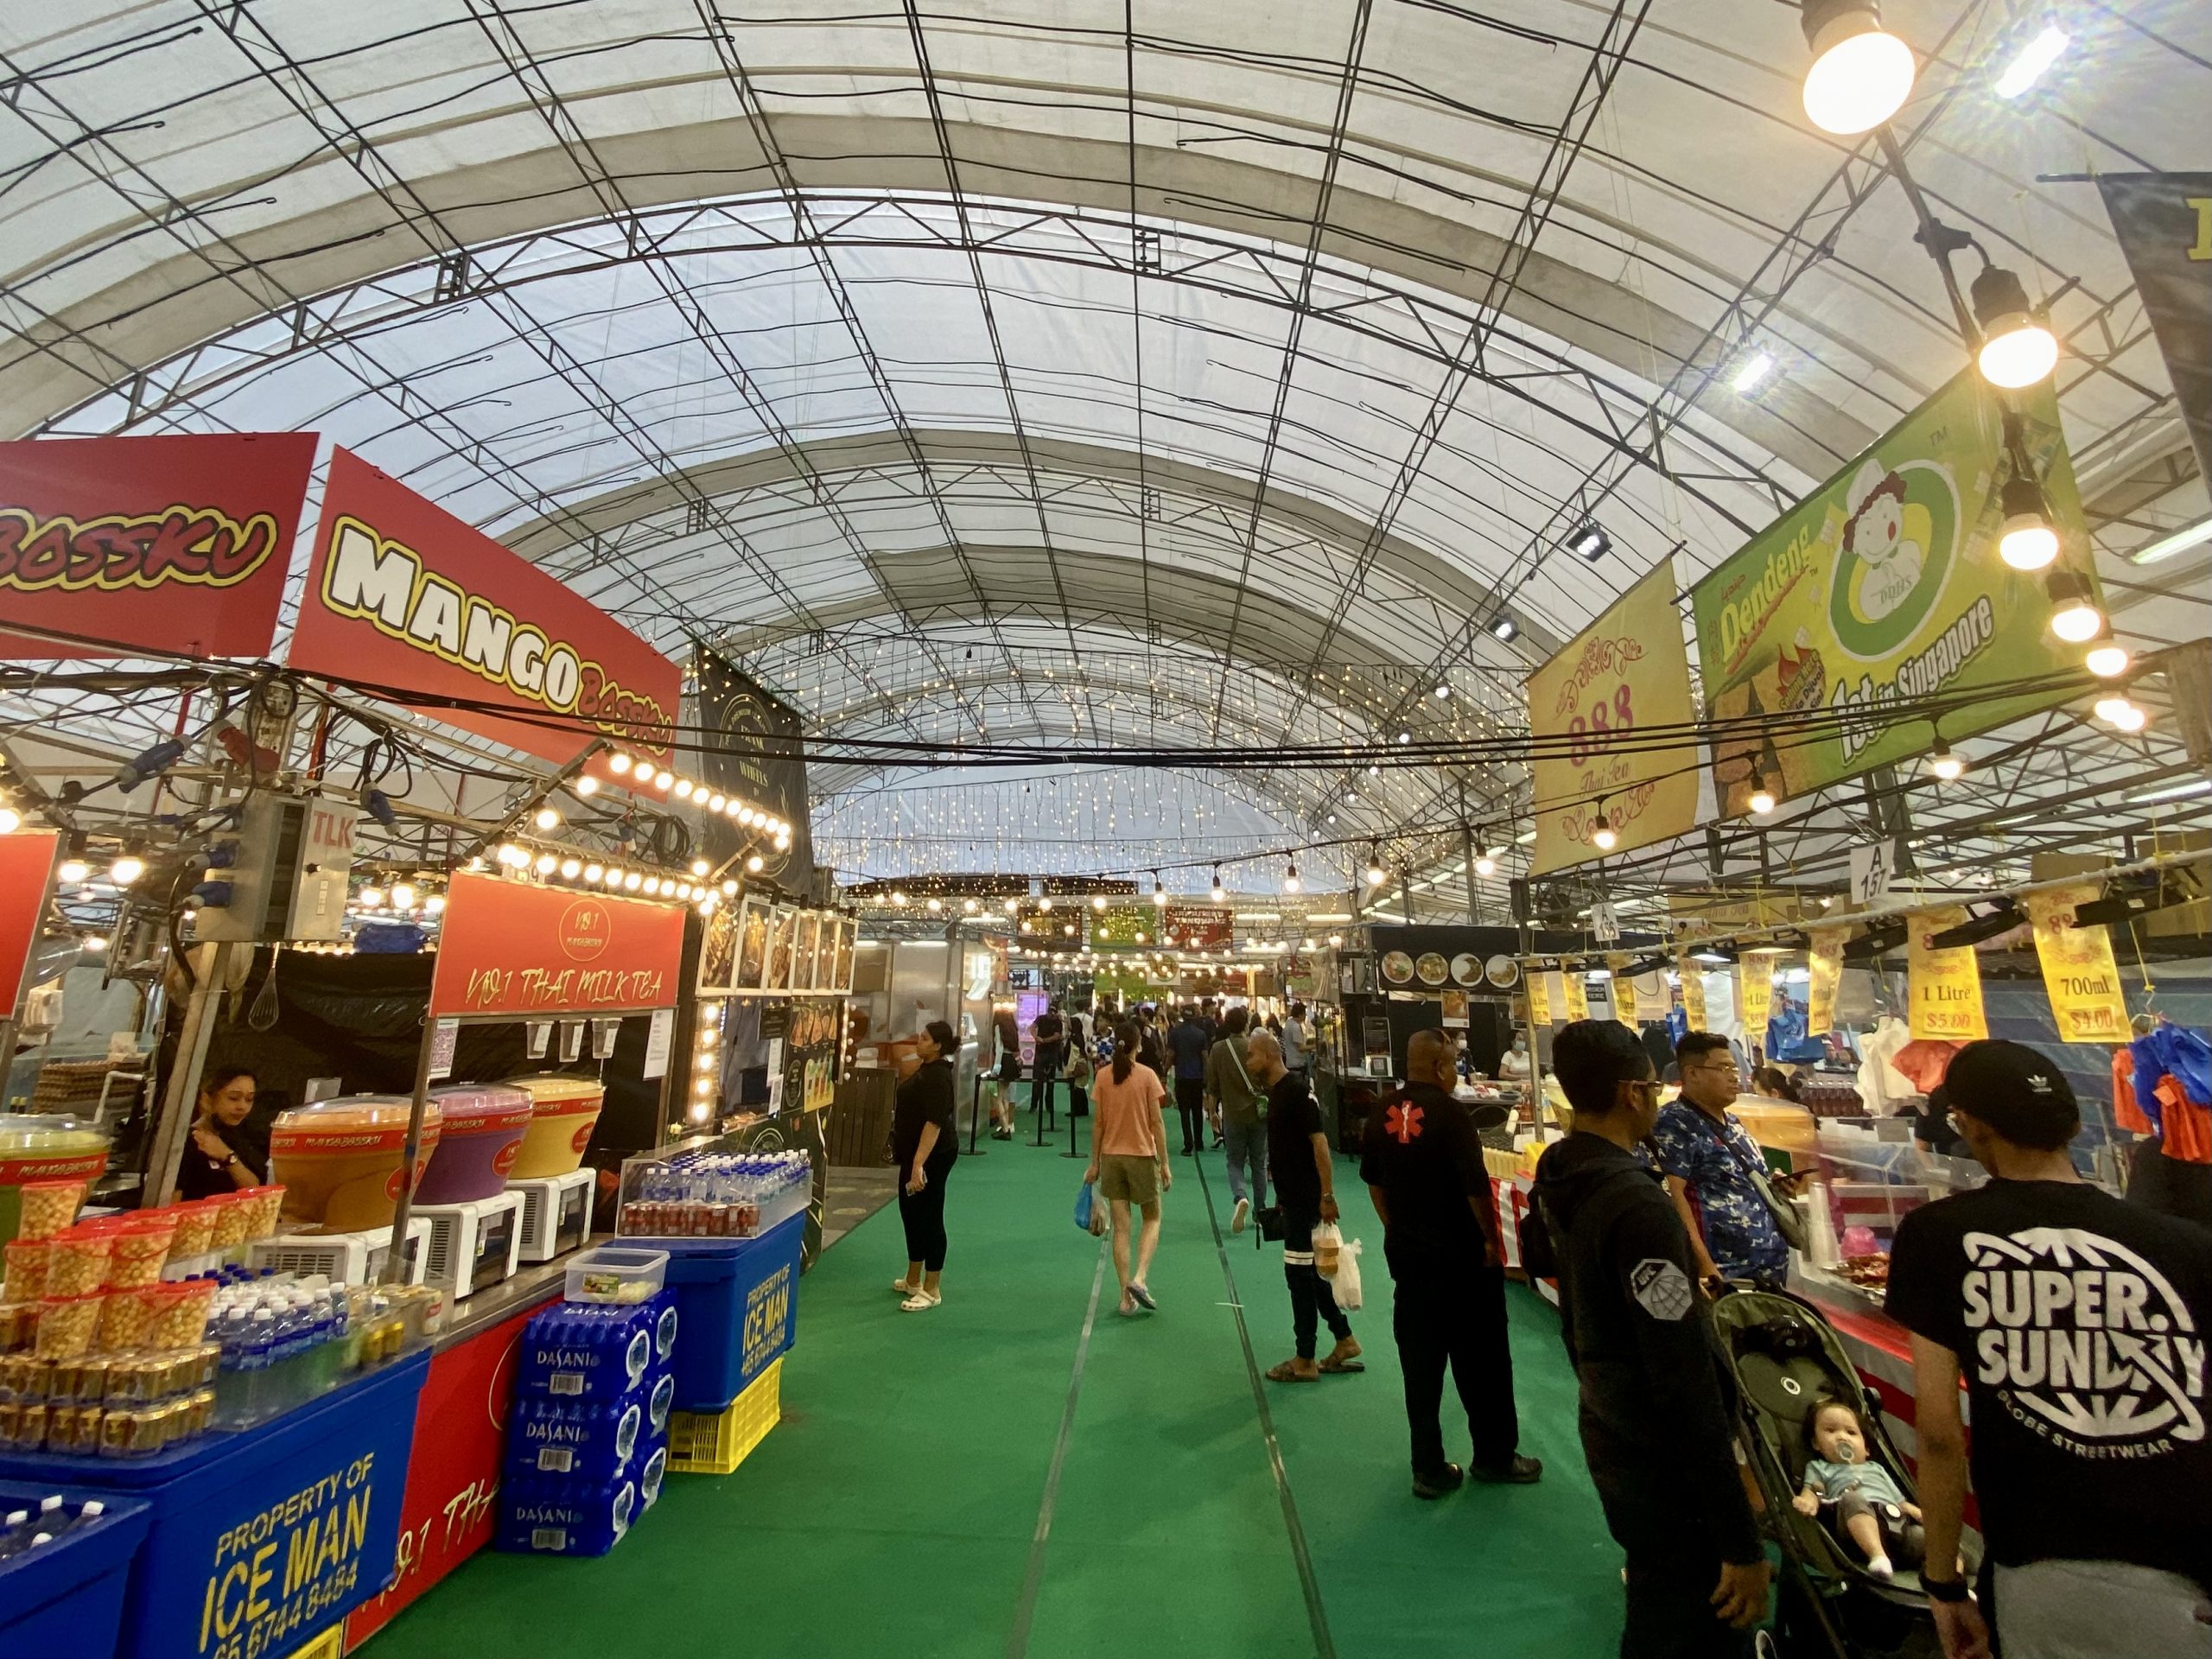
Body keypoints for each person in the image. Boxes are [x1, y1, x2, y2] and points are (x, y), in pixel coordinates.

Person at [1884, 1039, 2212, 1659]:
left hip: (2042, 1565)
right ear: (2077, 1124)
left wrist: (1943, 1580)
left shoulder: (1940, 1236)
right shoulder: (2184, 1247)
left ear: (1970, 1127)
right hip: (2189, 1567)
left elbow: (1938, 1432)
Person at [1526, 1020, 1768, 1656]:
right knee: (1694, 1623)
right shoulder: (1637, 1205)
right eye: (1653, 1088)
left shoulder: (1559, 1167)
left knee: (1658, 1606)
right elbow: (1682, 1375)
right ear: (1633, 1093)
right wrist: (1739, 1538)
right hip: (1662, 1455)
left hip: (1608, 1417)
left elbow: (1537, 1259)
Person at [1362, 1027, 1538, 1496]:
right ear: (1441, 1066)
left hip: (1410, 1264)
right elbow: (1475, 1188)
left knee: (1420, 1371)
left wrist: (1395, 1227)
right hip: (1462, 1263)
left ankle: (1429, 1468)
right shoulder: (1452, 1114)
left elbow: (1374, 1184)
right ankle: (1495, 1456)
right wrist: (1488, 1243)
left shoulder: (1380, 1111)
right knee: (1484, 1365)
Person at [1249, 1031, 1360, 1382]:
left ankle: (1305, 1358)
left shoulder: (1294, 1093)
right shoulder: (1280, 1094)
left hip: (1303, 1200)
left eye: (1251, 1055)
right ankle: (1344, 1339)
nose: (1248, 1061)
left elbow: (1320, 1144)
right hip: (1293, 1198)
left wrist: (1326, 1195)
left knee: (1298, 1276)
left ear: (1268, 1055)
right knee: (1309, 1274)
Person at [1653, 1031, 1793, 1291]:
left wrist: (1774, 1186)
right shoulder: (1673, 1124)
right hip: (1726, 1276)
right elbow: (1673, 1197)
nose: (1734, 1075)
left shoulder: (1735, 1124)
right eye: (1723, 1068)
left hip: (1767, 1276)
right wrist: (1706, 1268)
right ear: (1692, 1073)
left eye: (1734, 1067)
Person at [1083, 1020, 1173, 1317]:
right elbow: (1156, 1123)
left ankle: (1125, 1297)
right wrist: (1166, 1164)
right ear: (1138, 1045)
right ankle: (1140, 1278)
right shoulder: (1147, 1077)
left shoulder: (1103, 1076)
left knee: (1121, 1229)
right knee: (1153, 1217)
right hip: (1142, 1157)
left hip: (1111, 1157)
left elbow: (1098, 1123)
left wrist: (1094, 1162)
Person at [1792, 1399, 1923, 1579]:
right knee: (1853, 1499)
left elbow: (1902, 1504)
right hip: (1852, 1527)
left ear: (1866, 1449)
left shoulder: (1876, 1468)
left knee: (1929, 1539)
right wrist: (1807, 1501)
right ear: (1816, 1444)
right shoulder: (1819, 1467)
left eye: (1851, 1432)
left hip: (1895, 1526)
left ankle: (1951, 1577)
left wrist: (1921, 1514)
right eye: (1831, 1431)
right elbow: (1812, 1491)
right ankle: (1877, 1555)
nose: (1842, 1437)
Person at [890, 1020, 960, 1311]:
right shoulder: (926, 1070)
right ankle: (913, 1278)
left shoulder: (939, 1077)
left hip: (933, 1156)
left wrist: (919, 1164)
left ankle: (932, 1288)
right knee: (911, 1213)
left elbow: (934, 1123)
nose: (918, 1042)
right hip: (913, 1155)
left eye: (924, 1039)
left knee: (930, 1216)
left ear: (938, 1046)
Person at [1207, 1007, 1267, 1232]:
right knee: (1259, 1163)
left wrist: (1213, 1113)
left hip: (1232, 1114)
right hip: (1258, 1114)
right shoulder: (1255, 1047)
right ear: (1246, 1025)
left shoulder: (1218, 1050)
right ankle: (1260, 1212)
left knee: (1234, 1161)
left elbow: (1212, 1086)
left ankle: (1240, 1195)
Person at [175, 1064, 267, 1201]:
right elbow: (172, 1200)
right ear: (206, 1099)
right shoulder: (187, 1142)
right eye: (233, 1098)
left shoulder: (243, 1137)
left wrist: (227, 1156)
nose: (242, 1106)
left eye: (249, 1099)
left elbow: (256, 1190)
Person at [1168, 1005, 1211, 1156]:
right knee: (1197, 1110)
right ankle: (1199, 1142)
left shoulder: (1174, 1033)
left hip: (1181, 1076)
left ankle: (1188, 1144)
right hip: (1197, 1076)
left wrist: (1163, 1071)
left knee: (1184, 1112)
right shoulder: (1200, 1034)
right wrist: (1206, 1076)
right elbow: (1205, 1057)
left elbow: (1170, 1054)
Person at [991, 1003, 1021, 1140]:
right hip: (1011, 1061)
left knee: (998, 1097)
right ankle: (1007, 1125)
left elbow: (999, 1047)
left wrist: (996, 1068)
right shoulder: (1013, 1029)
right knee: (1005, 1097)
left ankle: (1004, 1128)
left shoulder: (998, 1027)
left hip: (1003, 1061)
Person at [1032, 1001, 1065, 1128]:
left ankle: (1049, 1106)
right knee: (1037, 1081)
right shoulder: (1041, 1018)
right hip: (1041, 1053)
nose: (1052, 1014)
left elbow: (1057, 1036)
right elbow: (1032, 1027)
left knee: (1051, 1081)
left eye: (1054, 1011)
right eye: (1050, 1011)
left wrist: (1043, 1040)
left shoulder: (1058, 1022)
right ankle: (1034, 1105)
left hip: (1052, 1053)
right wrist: (1036, 1037)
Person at [1281, 1001, 1310, 1081]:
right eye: (1304, 1014)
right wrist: (1315, 1046)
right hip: (1297, 1064)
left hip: (1290, 1062)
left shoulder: (1288, 1023)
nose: (1305, 1017)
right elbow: (1300, 1048)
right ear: (1300, 1015)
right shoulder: (1296, 1027)